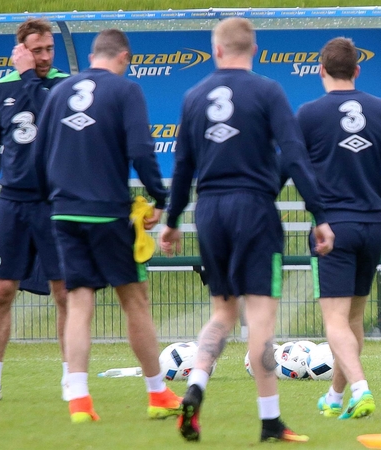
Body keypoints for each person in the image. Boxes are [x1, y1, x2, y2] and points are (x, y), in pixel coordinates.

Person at [158, 18, 333, 443]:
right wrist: (319, 215)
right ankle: (271, 421)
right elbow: (293, 155)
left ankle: (195, 387)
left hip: (210, 212)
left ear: (216, 51)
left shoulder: (194, 96)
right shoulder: (268, 90)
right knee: (259, 321)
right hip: (254, 210)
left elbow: (182, 167)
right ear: (253, 50)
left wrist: (172, 220)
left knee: (222, 313)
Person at [33, 29, 181, 423]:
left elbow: (39, 154)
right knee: (135, 301)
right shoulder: (125, 90)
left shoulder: (62, 90)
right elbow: (141, 150)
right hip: (107, 213)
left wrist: (58, 197)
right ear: (124, 57)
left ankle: (79, 401)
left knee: (80, 302)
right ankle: (157, 393)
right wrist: (160, 200)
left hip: (64, 212)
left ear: (93, 54)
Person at [295, 37, 381, 420]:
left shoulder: (308, 114)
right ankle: (335, 397)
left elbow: (288, 165)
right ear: (357, 70)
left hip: (332, 230)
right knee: (352, 320)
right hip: (372, 229)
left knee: (335, 321)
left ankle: (360, 389)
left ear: (320, 70)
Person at [0, 18, 70, 404]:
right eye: (37, 50)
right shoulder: (1, 90)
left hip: (54, 204)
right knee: (1, 291)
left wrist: (30, 77)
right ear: (22, 50)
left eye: (49, 49)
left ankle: (69, 378)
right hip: (12, 203)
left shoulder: (63, 86)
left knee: (64, 292)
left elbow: (53, 119)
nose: (44, 57)